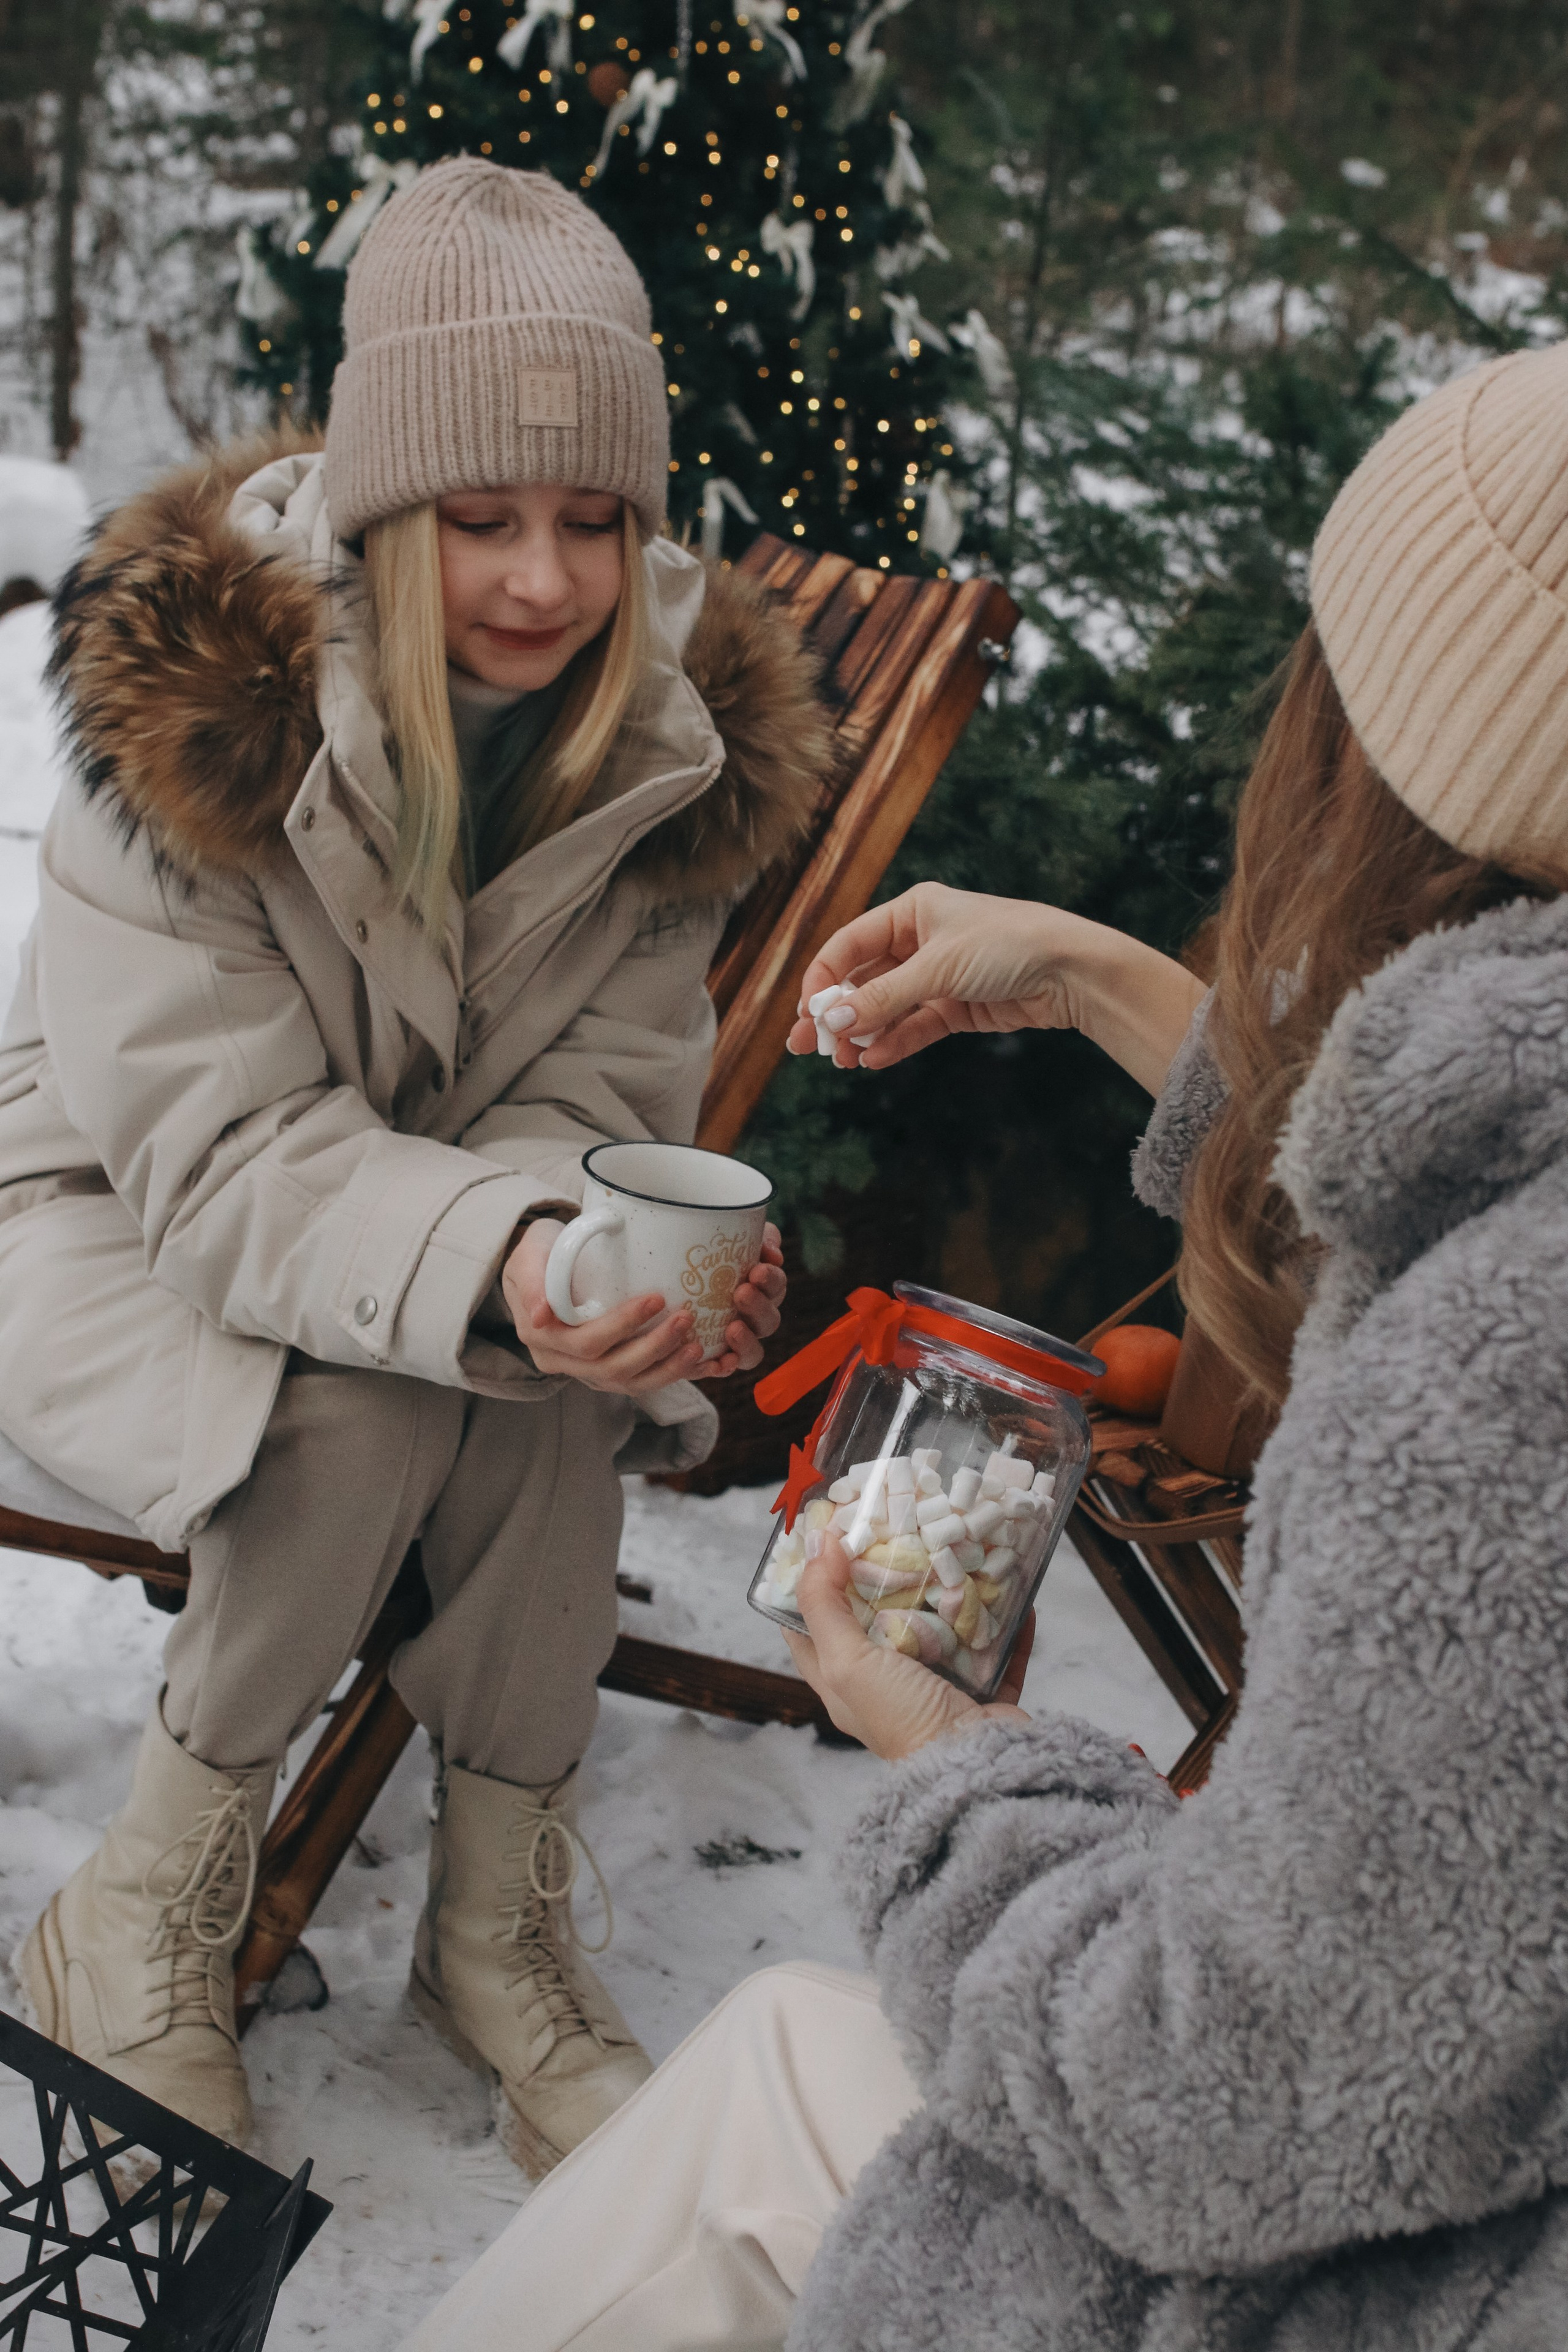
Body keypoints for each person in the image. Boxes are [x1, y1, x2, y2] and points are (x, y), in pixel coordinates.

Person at [395, 336, 1568, 2346]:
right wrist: (1101, 976)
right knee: (775, 2057)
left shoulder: (1503, 1375)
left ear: (1401, 758)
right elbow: (1440, 1167)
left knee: (749, 2136)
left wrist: (964, 1769)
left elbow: (1214, 2103)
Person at [0, 158, 828, 2171]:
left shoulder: (660, 759)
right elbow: (223, 1153)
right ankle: (140, 1909)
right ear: (383, 508)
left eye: (594, 521)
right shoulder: (204, 724)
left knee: (546, 1381)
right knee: (360, 1408)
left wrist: (566, 1253)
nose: (545, 581)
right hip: (110, 1210)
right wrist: (501, 1253)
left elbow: (603, 1096)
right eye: (481, 519)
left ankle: (491, 1933)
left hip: (390, 1212)